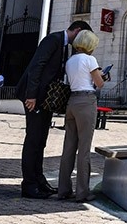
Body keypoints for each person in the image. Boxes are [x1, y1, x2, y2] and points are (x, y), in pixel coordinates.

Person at [15, 20, 92, 199]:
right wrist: (31, 95)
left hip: (45, 100)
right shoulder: (53, 40)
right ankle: (29, 185)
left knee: (41, 139)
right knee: (33, 139)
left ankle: (39, 180)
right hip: (34, 97)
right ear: (78, 30)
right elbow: (37, 66)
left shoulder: (65, 46)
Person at [58, 29, 104, 203]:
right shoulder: (90, 59)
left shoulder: (70, 60)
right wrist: (103, 76)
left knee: (69, 147)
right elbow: (99, 84)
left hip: (72, 100)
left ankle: (63, 189)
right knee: (84, 148)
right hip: (86, 101)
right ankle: (82, 191)